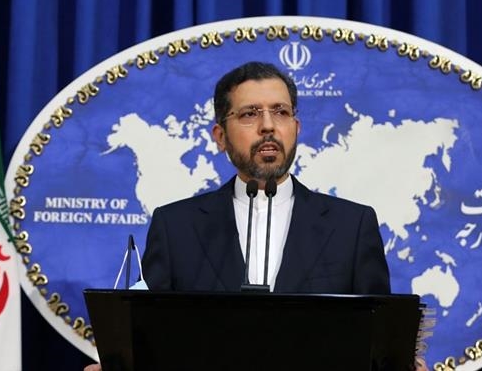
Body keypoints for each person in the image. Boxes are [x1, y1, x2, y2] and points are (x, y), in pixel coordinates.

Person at [85, 62, 427, 371]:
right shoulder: (175, 227)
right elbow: (148, 339)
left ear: (296, 128)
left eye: (280, 112)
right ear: (220, 137)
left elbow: (377, 345)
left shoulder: (352, 226)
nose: (268, 126)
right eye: (250, 113)